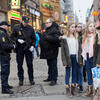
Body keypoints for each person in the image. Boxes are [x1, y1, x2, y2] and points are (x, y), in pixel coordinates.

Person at [11, 16, 36, 86]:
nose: (26, 23)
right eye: (25, 22)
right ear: (22, 21)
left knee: (30, 64)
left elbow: (34, 39)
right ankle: (21, 79)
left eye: (27, 22)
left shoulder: (31, 28)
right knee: (19, 64)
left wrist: (32, 46)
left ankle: (31, 79)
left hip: (28, 48)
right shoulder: (16, 27)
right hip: (20, 48)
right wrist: (17, 40)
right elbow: (12, 37)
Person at [60, 23, 81, 96]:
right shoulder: (64, 37)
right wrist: (64, 62)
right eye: (72, 27)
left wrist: (79, 59)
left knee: (75, 72)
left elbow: (78, 49)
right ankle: (67, 89)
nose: (74, 28)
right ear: (68, 28)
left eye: (74, 27)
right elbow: (63, 51)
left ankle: (73, 88)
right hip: (68, 57)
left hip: (75, 57)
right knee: (68, 72)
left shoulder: (76, 36)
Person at [40, 18, 61, 86]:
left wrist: (47, 37)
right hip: (47, 51)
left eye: (47, 23)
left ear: (51, 23)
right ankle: (50, 77)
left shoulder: (54, 30)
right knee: (49, 65)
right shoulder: (47, 29)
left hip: (52, 51)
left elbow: (57, 39)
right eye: (46, 23)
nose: (46, 24)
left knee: (53, 65)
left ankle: (54, 79)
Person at [0, 21, 15, 94]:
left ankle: (6, 85)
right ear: (3, 26)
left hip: (5, 55)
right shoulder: (2, 33)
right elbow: (4, 45)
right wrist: (13, 46)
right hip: (3, 55)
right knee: (4, 72)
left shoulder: (3, 32)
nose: (8, 27)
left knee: (6, 71)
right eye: (7, 26)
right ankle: (4, 88)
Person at [82, 22, 95, 97]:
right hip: (87, 56)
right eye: (90, 26)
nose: (92, 27)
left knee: (96, 75)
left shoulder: (97, 36)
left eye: (93, 26)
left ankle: (96, 91)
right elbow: (83, 48)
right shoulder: (85, 37)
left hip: (94, 57)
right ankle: (90, 90)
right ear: (87, 27)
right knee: (89, 74)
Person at [92, 22, 100, 100]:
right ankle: (96, 93)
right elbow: (98, 50)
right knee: (97, 78)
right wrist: (98, 61)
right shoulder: (98, 35)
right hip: (97, 60)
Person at [76, 23, 83, 92]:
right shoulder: (73, 35)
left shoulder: (82, 36)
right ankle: (76, 84)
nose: (79, 28)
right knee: (75, 71)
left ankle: (80, 85)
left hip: (81, 56)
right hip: (74, 56)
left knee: (80, 71)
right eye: (78, 27)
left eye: (80, 27)